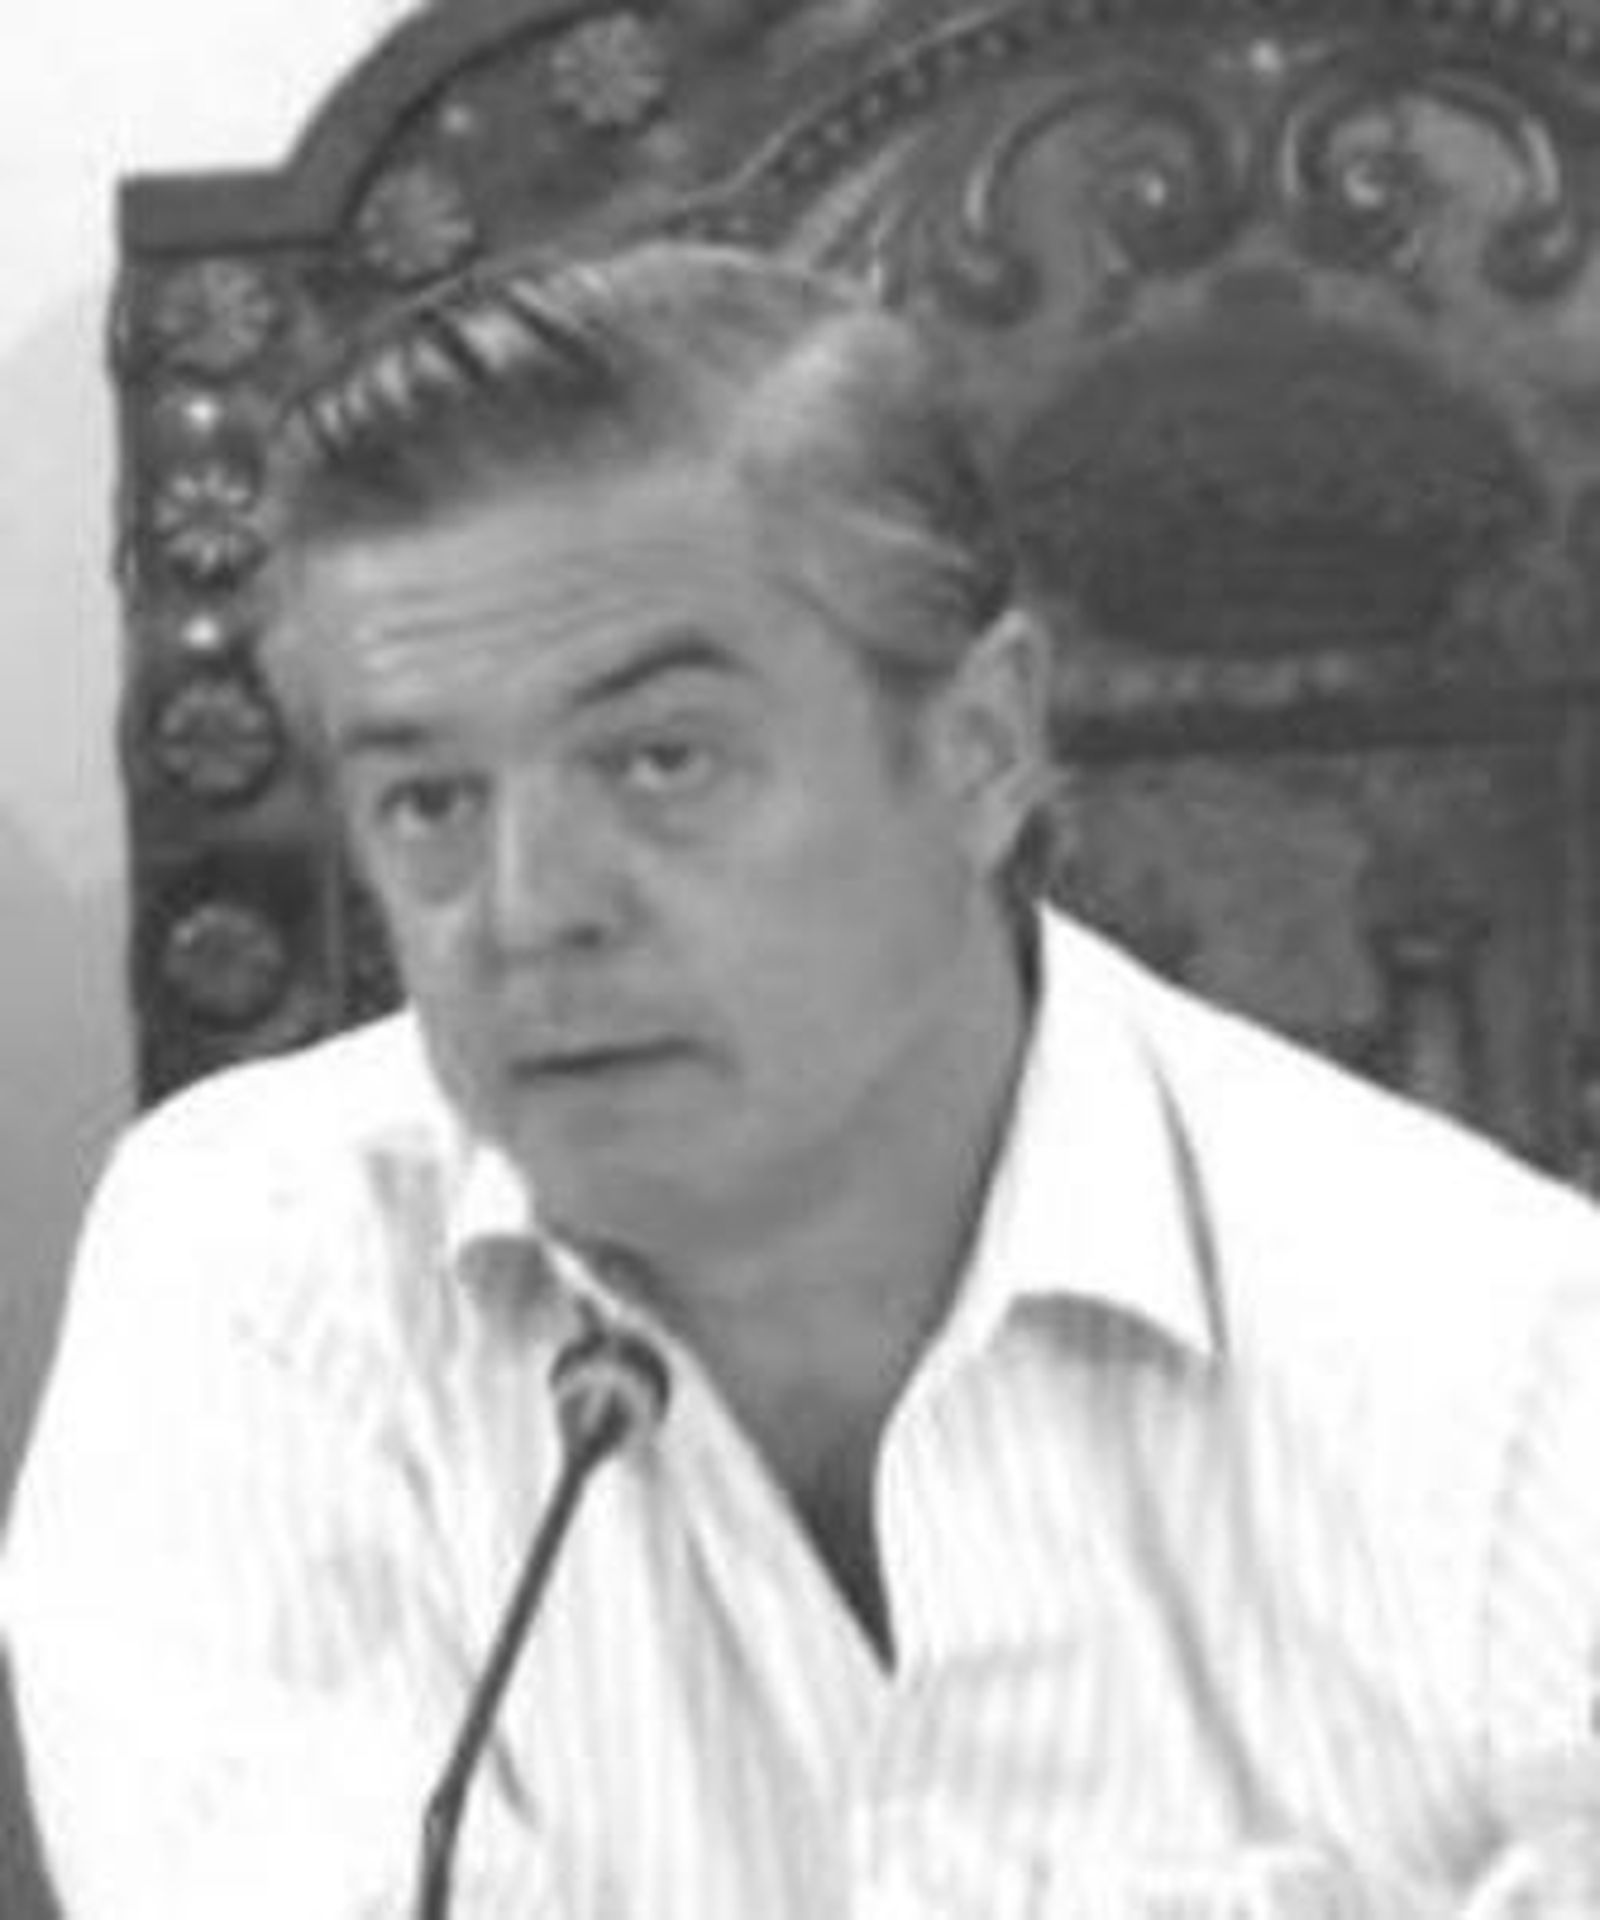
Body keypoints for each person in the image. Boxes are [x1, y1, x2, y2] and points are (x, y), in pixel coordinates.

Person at [5, 241, 1599, 1920]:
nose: (532, 910)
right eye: (429, 802)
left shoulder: (1514, 1383)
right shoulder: (260, 1264)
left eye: (660, 760)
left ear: (981, 746)